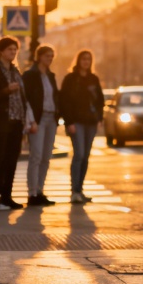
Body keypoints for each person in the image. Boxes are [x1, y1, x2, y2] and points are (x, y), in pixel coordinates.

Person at [0, 37, 36, 210]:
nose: (13, 52)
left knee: (11, 160)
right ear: (1, 51)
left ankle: (6, 196)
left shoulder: (15, 71)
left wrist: (27, 118)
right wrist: (6, 90)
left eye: (15, 50)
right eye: (10, 49)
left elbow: (23, 97)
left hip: (16, 121)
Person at [59, 49, 104, 204]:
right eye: (83, 59)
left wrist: (99, 117)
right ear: (78, 61)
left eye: (88, 59)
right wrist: (68, 121)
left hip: (90, 122)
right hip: (76, 122)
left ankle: (80, 190)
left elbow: (100, 100)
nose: (86, 62)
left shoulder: (93, 79)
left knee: (85, 156)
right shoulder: (71, 79)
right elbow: (64, 101)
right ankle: (74, 191)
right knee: (78, 154)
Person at [22, 44, 59, 206]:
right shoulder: (30, 75)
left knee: (46, 157)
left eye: (51, 56)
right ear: (39, 57)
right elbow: (26, 98)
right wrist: (31, 120)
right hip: (38, 119)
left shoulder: (51, 75)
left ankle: (40, 191)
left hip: (51, 119)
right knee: (36, 156)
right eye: (46, 56)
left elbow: (55, 96)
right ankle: (32, 193)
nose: (49, 59)